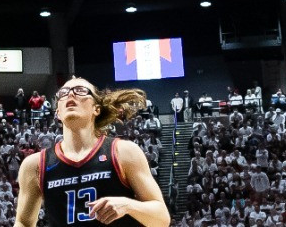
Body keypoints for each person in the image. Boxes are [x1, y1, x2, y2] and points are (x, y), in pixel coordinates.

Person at [11, 77, 170, 227]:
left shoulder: (123, 152)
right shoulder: (35, 164)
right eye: (63, 93)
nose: (71, 94)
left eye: (80, 90)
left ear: (96, 109)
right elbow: (23, 222)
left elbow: (161, 218)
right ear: (58, 112)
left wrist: (128, 205)